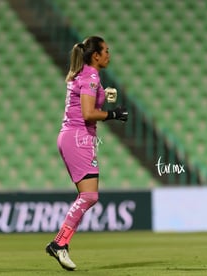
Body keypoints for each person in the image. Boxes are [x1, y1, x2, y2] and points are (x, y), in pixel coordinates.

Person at [45, 36, 128, 270]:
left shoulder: (85, 75)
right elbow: (88, 113)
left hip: (74, 136)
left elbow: (87, 105)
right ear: (96, 56)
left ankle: (61, 244)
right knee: (89, 197)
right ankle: (59, 243)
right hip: (77, 137)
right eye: (106, 51)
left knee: (87, 197)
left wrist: (104, 95)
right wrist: (114, 114)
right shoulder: (91, 75)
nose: (109, 55)